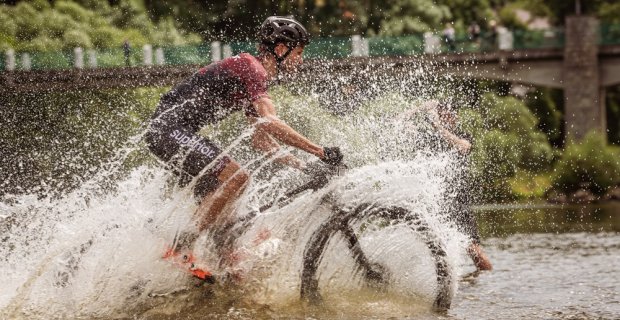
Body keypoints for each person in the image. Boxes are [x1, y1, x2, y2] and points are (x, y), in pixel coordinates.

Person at [145, 16, 344, 278]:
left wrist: (303, 166)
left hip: (174, 133)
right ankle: (180, 248)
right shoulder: (252, 68)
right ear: (281, 49)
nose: (301, 60)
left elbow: (260, 139)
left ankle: (223, 267)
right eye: (299, 52)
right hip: (168, 131)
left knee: (227, 212)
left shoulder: (252, 77)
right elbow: (270, 121)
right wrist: (320, 152)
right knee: (237, 176)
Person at [406, 100, 492, 271]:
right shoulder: (430, 137)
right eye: (441, 112)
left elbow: (463, 147)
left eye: (448, 113)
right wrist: (420, 108)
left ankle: (486, 280)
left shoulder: (462, 135)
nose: (444, 116)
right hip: (438, 203)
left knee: (473, 249)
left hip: (459, 203)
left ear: (455, 117)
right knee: (436, 249)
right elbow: (403, 121)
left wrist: (439, 128)